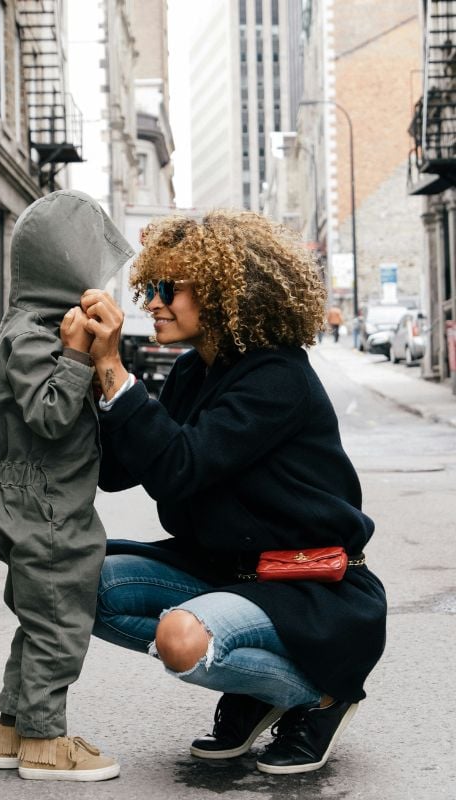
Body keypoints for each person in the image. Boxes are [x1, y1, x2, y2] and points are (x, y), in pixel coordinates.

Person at [80, 210, 387, 776]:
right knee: (79, 587)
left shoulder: (277, 377)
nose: (150, 304)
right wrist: (89, 370)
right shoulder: (194, 371)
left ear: (223, 291)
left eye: (166, 289)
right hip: (223, 571)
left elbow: (179, 466)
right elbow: (120, 469)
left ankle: (316, 695)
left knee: (182, 640)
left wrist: (115, 370)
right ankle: (257, 685)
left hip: (307, 586)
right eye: (148, 288)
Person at [0, 189, 133, 782]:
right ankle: (46, 742)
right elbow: (48, 415)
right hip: (49, 509)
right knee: (61, 626)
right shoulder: (42, 336)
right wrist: (75, 358)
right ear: (65, 266)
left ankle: (12, 728)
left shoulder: (20, 327)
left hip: (24, 499)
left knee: (36, 622)